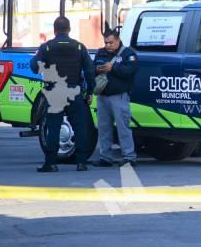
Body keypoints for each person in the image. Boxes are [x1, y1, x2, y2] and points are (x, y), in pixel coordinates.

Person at [30, 16, 94, 172]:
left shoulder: (47, 47)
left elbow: (34, 67)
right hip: (74, 91)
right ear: (69, 29)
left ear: (54, 30)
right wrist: (89, 91)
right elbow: (90, 71)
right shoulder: (79, 47)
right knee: (80, 127)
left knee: (53, 128)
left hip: (55, 92)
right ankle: (81, 163)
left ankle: (51, 163)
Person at [92, 24, 139, 167]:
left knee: (123, 127)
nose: (108, 45)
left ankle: (129, 157)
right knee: (104, 127)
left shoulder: (128, 54)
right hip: (103, 96)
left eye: (111, 42)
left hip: (119, 96)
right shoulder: (101, 53)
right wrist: (97, 69)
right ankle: (105, 157)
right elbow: (92, 69)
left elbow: (130, 71)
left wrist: (113, 68)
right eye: (106, 42)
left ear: (118, 40)